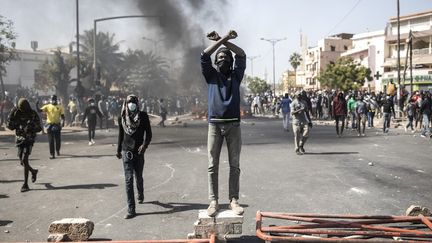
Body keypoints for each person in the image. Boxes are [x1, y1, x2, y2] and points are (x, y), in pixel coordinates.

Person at [201, 30, 246, 217]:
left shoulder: (236, 76)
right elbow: (204, 55)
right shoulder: (211, 75)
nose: (222, 60)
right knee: (213, 165)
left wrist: (224, 41)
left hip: (233, 125)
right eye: (219, 57)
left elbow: (241, 54)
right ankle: (213, 201)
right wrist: (221, 40)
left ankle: (233, 200)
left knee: (234, 165)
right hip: (214, 125)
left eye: (225, 57)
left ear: (230, 61)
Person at [116, 94, 152, 219]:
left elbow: (149, 134)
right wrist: (118, 150)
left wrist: (144, 145)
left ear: (138, 103)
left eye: (134, 102)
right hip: (127, 152)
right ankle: (131, 209)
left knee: (139, 176)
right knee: (128, 180)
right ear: (126, 103)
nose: (132, 104)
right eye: (129, 102)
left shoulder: (143, 116)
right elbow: (121, 134)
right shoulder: (122, 117)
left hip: (139, 152)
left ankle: (140, 193)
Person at [7, 98, 43, 192]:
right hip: (19, 138)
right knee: (22, 161)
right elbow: (9, 126)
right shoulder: (15, 112)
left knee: (24, 159)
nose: (23, 110)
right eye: (21, 108)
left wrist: (31, 127)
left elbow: (39, 127)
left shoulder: (32, 113)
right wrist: (14, 121)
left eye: (25, 108)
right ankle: (33, 171)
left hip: (29, 138)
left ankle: (25, 184)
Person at [37, 95, 65, 159]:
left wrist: (63, 122)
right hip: (49, 125)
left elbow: (62, 116)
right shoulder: (47, 106)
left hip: (57, 125)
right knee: (51, 140)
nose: (53, 100)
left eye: (54, 99)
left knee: (58, 140)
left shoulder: (60, 107)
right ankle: (52, 154)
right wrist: (37, 105)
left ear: (56, 99)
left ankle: (57, 150)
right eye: (52, 99)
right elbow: (39, 110)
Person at [290, 91, 312, 155]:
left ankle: (301, 144)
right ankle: (297, 149)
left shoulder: (304, 102)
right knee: (297, 135)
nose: (299, 96)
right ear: (296, 96)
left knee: (306, 133)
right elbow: (292, 113)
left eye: (300, 95)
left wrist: (310, 121)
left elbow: (307, 112)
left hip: (303, 120)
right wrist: (300, 110)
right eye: (298, 95)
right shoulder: (293, 103)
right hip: (296, 121)